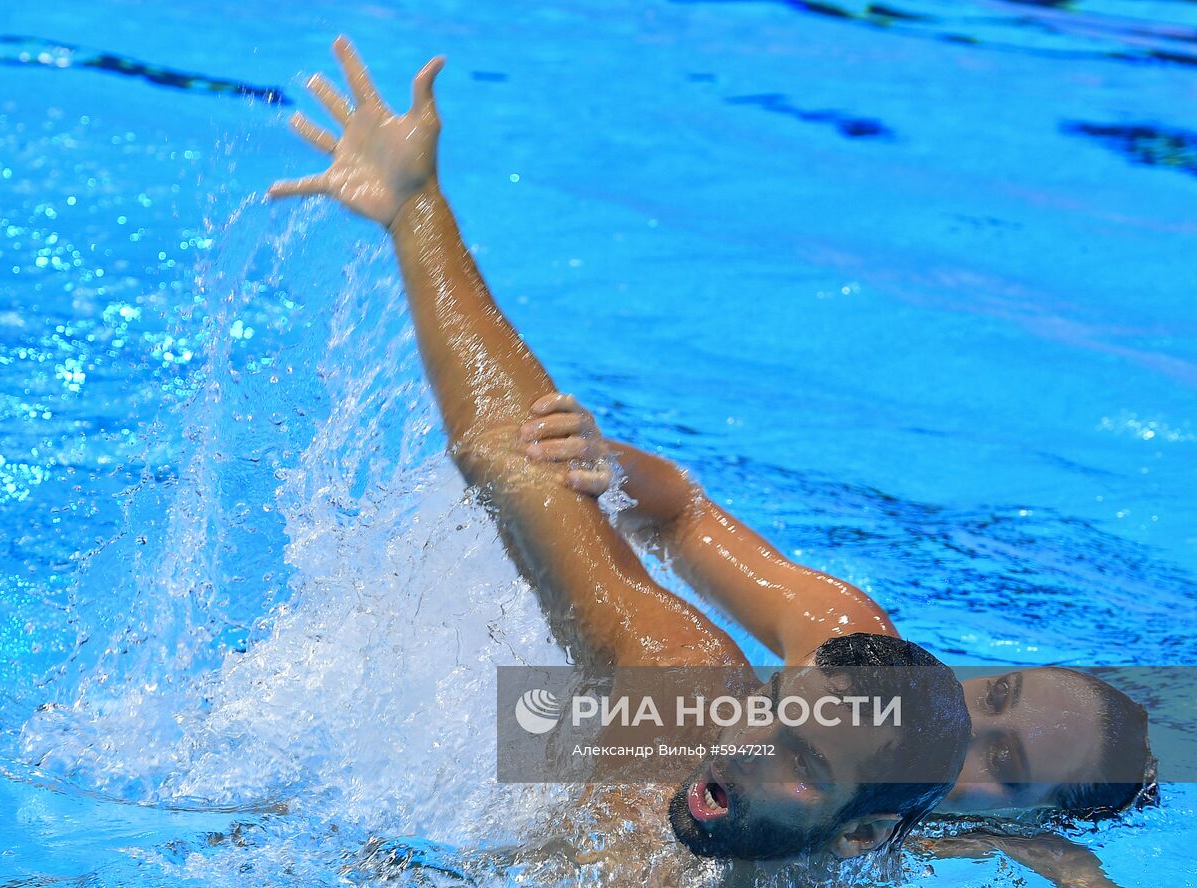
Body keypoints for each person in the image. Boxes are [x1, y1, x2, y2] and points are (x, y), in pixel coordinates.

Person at [267, 36, 972, 880]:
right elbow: (515, 458)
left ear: (856, 837)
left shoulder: (866, 791)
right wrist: (417, 210)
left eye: (801, 765)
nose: (743, 749)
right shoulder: (686, 699)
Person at [515, 393, 1156, 819]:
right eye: (993, 695)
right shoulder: (853, 650)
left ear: (1024, 824)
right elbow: (684, 517)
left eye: (1004, 762)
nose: (965, 729)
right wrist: (606, 461)